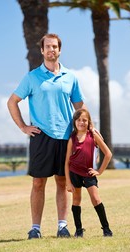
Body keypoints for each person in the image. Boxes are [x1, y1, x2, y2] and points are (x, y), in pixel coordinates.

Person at [7, 33, 87, 239]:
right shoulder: (32, 77)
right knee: (38, 183)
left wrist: (87, 130)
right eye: (48, 47)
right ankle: (35, 228)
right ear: (42, 51)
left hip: (65, 136)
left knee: (62, 182)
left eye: (55, 46)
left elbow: (79, 106)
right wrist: (24, 127)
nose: (51, 50)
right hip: (41, 137)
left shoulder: (70, 77)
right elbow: (12, 101)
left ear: (60, 50)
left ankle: (62, 227)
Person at [65, 108, 113, 237]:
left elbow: (108, 154)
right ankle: (79, 230)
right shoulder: (72, 138)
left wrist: (99, 171)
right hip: (74, 173)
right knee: (76, 199)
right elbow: (66, 162)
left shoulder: (93, 136)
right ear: (75, 122)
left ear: (89, 122)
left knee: (96, 198)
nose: (81, 122)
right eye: (79, 120)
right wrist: (68, 182)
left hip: (89, 173)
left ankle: (106, 229)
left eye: (84, 120)